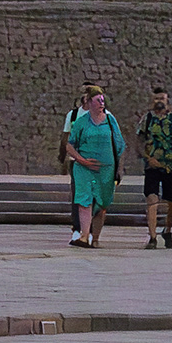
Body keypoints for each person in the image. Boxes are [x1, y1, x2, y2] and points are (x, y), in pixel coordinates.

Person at [62, 82, 125, 248]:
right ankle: (84, 235)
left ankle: (95, 237)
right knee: (84, 200)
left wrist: (119, 167)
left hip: (106, 170)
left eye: (102, 100)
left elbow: (119, 145)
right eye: (98, 100)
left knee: (102, 203)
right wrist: (82, 160)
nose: (101, 103)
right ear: (89, 102)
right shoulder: (81, 121)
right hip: (83, 169)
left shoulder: (111, 121)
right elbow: (70, 144)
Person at [135, 84, 172, 249]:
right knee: (151, 198)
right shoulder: (148, 119)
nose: (159, 101)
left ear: (167, 100)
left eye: (162, 99)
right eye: (156, 99)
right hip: (152, 165)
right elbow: (139, 139)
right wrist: (145, 157)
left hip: (171, 165)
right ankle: (152, 236)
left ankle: (168, 229)